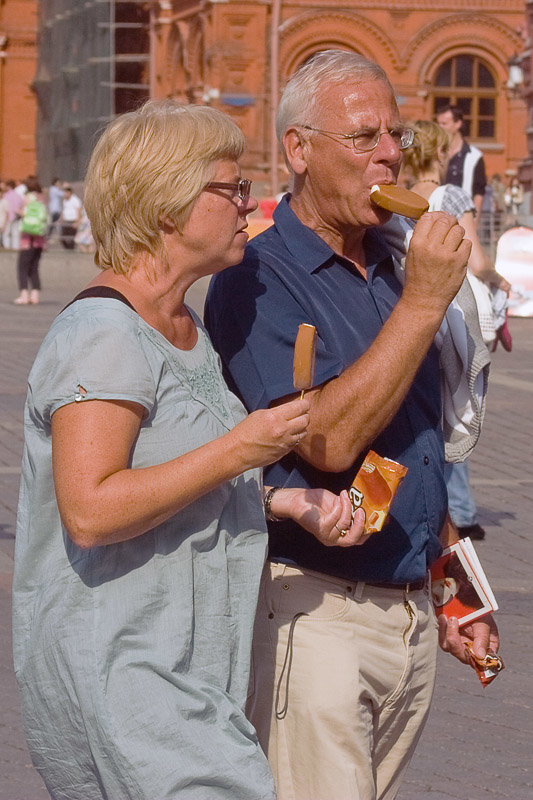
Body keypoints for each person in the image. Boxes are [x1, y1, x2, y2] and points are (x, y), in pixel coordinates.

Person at [12, 100, 366, 800]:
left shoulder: (179, 323)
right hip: (128, 676)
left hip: (183, 673)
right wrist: (240, 450)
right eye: (230, 188)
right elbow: (89, 509)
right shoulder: (104, 334)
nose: (247, 204)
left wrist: (276, 499)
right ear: (166, 205)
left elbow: (165, 476)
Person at [205, 50, 500, 800]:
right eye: (364, 137)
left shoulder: (394, 265)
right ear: (298, 151)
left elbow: (411, 446)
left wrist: (453, 586)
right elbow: (328, 440)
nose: (391, 155)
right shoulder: (256, 279)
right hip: (317, 614)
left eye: (394, 135)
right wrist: (424, 305)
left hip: (405, 614)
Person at [401, 119, 511, 541]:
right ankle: (458, 510)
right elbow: (477, 260)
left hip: (413, 311)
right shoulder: (452, 195)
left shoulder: (403, 198)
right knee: (458, 408)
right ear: (441, 153)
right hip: (454, 312)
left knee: (427, 409)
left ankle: (434, 506)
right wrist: (501, 281)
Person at [436, 104, 487, 226]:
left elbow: (478, 194)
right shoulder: (436, 153)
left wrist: (473, 225)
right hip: (437, 217)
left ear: (458, 124)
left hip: (462, 219)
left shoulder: (474, 156)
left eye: (444, 124)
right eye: (439, 123)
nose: (440, 127)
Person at [13, 175, 48, 305]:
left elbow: (24, 213)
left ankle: (23, 295)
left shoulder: (28, 198)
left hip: (28, 240)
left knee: (22, 267)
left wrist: (18, 211)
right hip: (40, 240)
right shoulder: (41, 198)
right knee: (34, 268)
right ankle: (35, 295)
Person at [59, 183, 82, 248]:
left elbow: (79, 211)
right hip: (66, 221)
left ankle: (71, 251)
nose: (65, 194)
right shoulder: (64, 201)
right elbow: (64, 210)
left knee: (71, 238)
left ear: (70, 192)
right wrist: (61, 219)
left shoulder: (75, 200)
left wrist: (77, 222)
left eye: (66, 193)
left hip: (73, 221)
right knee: (63, 237)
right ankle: (67, 249)